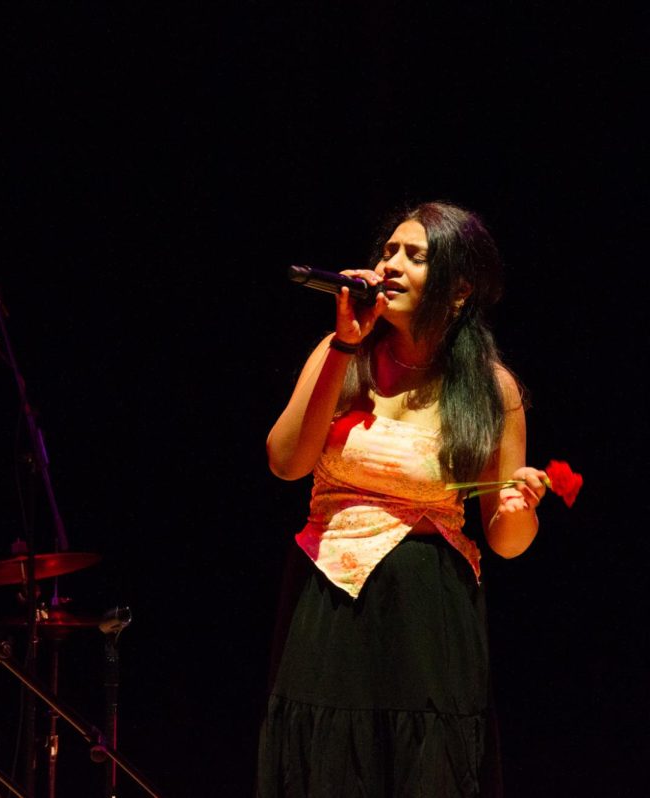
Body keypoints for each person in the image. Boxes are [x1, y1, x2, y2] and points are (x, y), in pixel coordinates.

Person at [257, 201, 543, 797]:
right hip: (333, 593)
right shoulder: (344, 354)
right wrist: (341, 345)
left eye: (415, 256)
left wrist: (520, 511)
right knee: (329, 763)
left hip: (430, 610)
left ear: (459, 290)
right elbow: (286, 464)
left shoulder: (493, 389)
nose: (391, 265)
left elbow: (506, 543)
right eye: (388, 251)